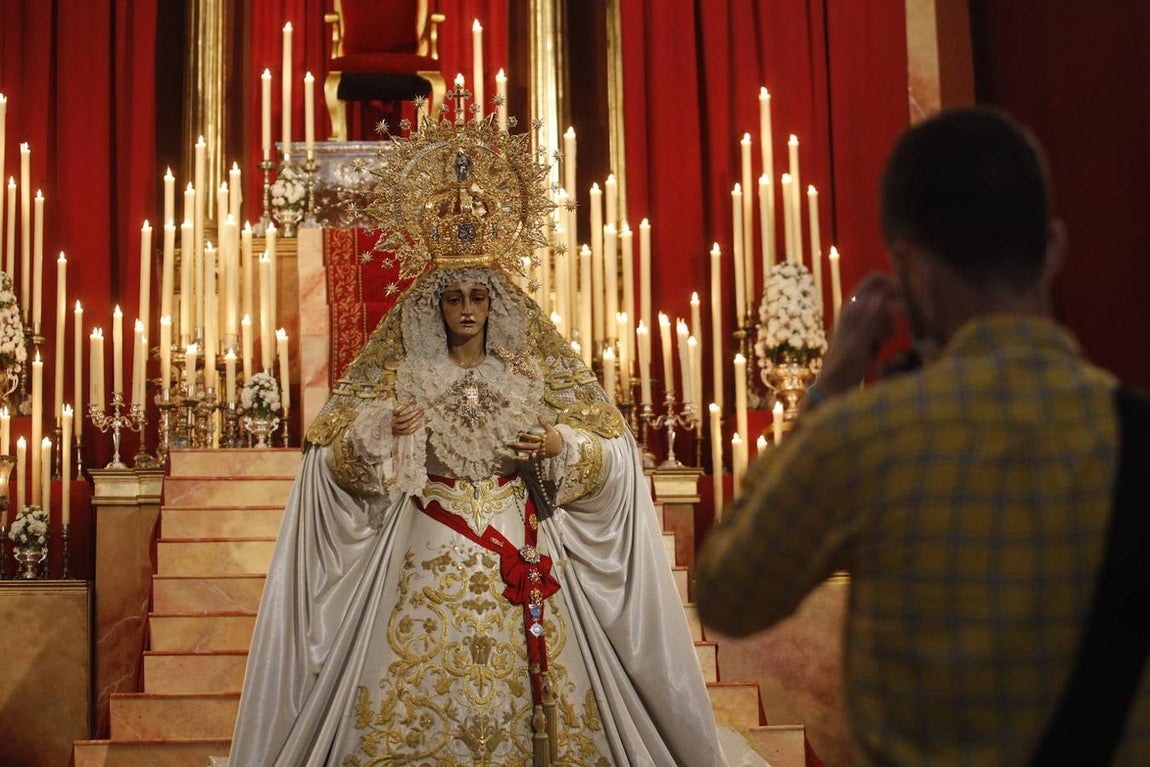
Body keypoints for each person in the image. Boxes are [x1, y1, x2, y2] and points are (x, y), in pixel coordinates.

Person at [224, 114, 727, 766]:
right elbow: (330, 460)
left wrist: (559, 444)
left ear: (495, 304)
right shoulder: (407, 373)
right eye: (455, 296)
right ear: (435, 304)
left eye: (478, 297)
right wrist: (382, 433)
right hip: (424, 541)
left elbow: (611, 453)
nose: (466, 308)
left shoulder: (528, 373)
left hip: (520, 543)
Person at [695, 107, 1150, 765]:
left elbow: (726, 593)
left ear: (910, 269)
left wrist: (826, 390)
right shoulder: (1138, 437)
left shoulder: (864, 439)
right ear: (1053, 246)